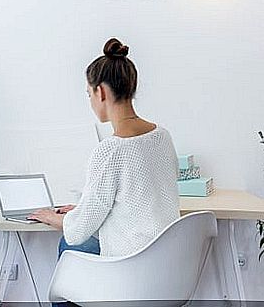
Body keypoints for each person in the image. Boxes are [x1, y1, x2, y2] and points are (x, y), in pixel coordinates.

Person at [29, 36, 179, 265]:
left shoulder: (111, 149)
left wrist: (52, 217)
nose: (90, 101)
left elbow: (79, 230)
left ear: (100, 92)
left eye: (89, 94)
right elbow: (135, 199)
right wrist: (83, 208)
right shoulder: (162, 136)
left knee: (69, 244)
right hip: (165, 260)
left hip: (131, 263)